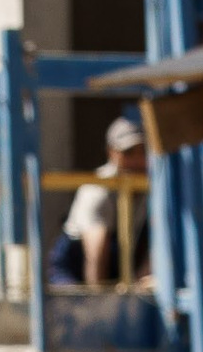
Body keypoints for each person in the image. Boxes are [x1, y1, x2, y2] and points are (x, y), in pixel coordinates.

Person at [56, 112, 152, 290]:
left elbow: (155, 246)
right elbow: (95, 254)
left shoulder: (154, 187)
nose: (138, 160)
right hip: (75, 267)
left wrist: (139, 290)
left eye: (143, 151)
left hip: (122, 263)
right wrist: (98, 299)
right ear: (112, 152)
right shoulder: (97, 189)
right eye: (128, 153)